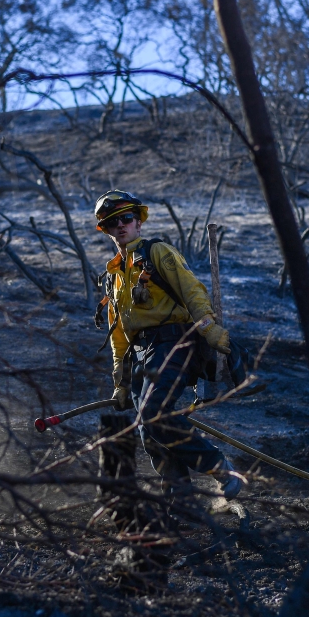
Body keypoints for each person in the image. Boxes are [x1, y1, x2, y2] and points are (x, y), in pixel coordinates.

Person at [94, 190, 245, 500]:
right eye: (112, 223)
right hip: (141, 355)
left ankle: (219, 467)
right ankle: (181, 500)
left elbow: (193, 291)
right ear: (106, 231)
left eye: (126, 219)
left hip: (173, 343)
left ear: (138, 222)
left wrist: (209, 328)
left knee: (154, 414)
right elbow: (120, 335)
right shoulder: (113, 277)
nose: (120, 226)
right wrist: (120, 382)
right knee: (146, 430)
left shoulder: (158, 253)